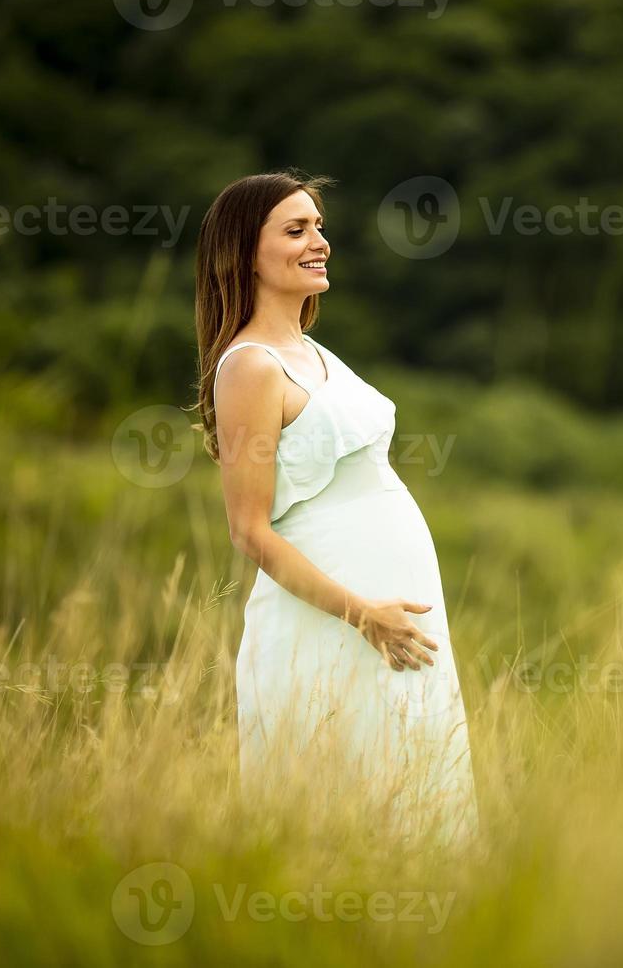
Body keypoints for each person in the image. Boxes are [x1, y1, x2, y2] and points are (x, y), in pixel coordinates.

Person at [192, 170, 479, 849]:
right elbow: (249, 530)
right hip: (335, 622)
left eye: (319, 226)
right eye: (296, 230)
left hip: (391, 621)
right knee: (340, 802)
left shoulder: (314, 354)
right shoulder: (252, 367)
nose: (319, 242)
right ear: (245, 253)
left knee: (413, 784)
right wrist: (363, 614)